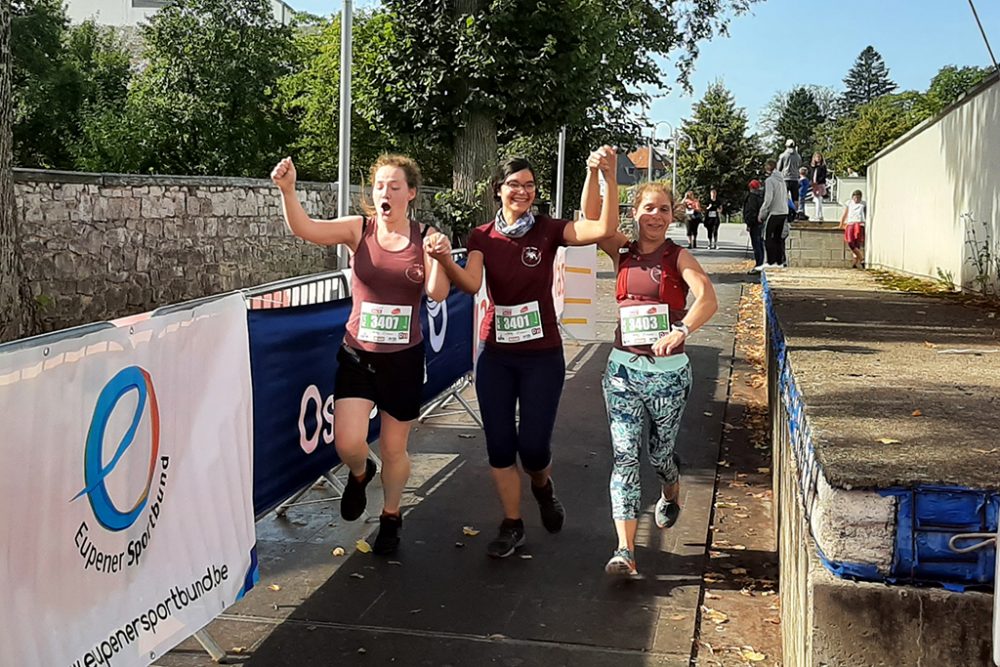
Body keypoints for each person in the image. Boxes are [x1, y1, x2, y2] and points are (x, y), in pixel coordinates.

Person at [425, 149, 620, 559]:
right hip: (495, 354)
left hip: (542, 355)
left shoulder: (548, 230)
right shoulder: (481, 236)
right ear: (499, 190)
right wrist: (444, 259)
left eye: (529, 185)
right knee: (499, 445)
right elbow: (471, 283)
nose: (522, 191)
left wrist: (606, 176)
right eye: (514, 184)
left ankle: (542, 486)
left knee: (532, 448)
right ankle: (512, 523)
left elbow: (603, 227)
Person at [270, 154, 451, 555]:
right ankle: (359, 470)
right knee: (348, 442)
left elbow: (437, 293)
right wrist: (288, 191)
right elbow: (306, 229)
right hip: (358, 353)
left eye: (395, 186)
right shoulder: (360, 229)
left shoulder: (425, 237)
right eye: (380, 185)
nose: (385, 192)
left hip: (403, 359)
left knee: (394, 448)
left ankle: (390, 515)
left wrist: (441, 256)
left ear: (411, 194)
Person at [579, 157, 718, 577]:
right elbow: (590, 219)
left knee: (659, 454)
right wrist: (595, 174)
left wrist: (682, 330)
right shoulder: (620, 249)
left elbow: (707, 298)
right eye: (647, 208)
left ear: (672, 215)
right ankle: (625, 550)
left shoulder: (679, 257)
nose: (655, 216)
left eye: (662, 209)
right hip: (622, 372)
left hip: (668, 376)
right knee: (624, 457)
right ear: (634, 213)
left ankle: (670, 491)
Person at [760, 159, 788, 268]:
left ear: (767, 169)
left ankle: (771, 261)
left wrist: (762, 212)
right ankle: (779, 260)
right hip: (784, 211)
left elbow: (768, 199)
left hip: (774, 212)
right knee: (778, 237)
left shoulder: (770, 181)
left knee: (768, 237)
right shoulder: (782, 180)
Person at [840, 189, 867, 269]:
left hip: (859, 223)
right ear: (852, 197)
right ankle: (862, 259)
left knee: (856, 243)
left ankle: (855, 262)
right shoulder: (849, 203)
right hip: (850, 223)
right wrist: (841, 223)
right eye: (855, 198)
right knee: (850, 242)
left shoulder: (863, 204)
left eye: (858, 198)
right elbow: (845, 213)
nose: (856, 200)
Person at [742, 179, 765, 272]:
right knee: (759, 244)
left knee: (756, 245)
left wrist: (749, 224)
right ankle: (760, 263)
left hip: (754, 224)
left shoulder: (752, 197)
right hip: (760, 222)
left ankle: (759, 265)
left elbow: (751, 211)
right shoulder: (761, 197)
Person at [777, 139, 801, 205]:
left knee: (784, 197)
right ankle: (796, 212)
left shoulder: (783, 155)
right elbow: (799, 166)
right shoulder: (798, 156)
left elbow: (779, 168)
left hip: (785, 178)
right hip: (795, 178)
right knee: (795, 198)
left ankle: (785, 212)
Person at [810, 153, 828, 221]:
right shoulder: (813, 167)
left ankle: (818, 215)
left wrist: (817, 182)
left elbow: (823, 176)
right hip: (814, 185)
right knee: (817, 200)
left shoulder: (823, 167)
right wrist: (812, 182)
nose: (818, 158)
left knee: (818, 200)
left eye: (819, 157)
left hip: (820, 185)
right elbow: (812, 175)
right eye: (816, 157)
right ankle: (820, 215)